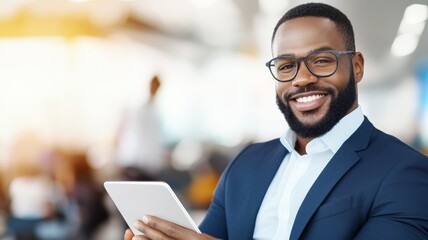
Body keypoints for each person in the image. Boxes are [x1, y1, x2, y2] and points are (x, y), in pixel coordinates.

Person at [124, 3, 428, 240]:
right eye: (286, 66)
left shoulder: (405, 172)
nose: (303, 79)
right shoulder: (246, 165)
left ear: (357, 66)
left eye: (322, 60)